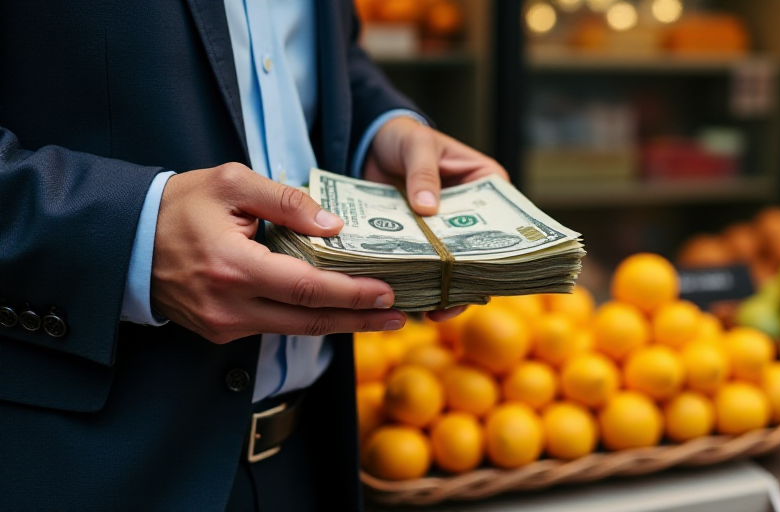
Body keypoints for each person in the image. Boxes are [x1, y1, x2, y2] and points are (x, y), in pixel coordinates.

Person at [0, 1, 507, 510]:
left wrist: (375, 131)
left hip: (314, 456)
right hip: (83, 466)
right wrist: (133, 232)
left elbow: (315, 56)